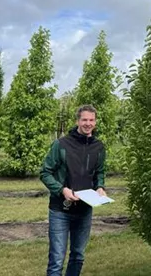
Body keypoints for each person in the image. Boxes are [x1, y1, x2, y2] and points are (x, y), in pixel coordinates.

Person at [40, 105, 107, 276]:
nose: (88, 123)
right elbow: (45, 172)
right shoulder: (61, 144)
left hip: (85, 209)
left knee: (78, 256)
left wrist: (100, 187)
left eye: (91, 120)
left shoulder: (99, 147)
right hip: (60, 210)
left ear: (95, 122)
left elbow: (99, 172)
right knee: (56, 259)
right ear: (78, 120)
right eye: (84, 119)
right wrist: (62, 190)